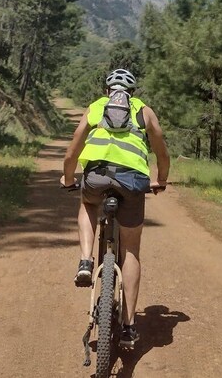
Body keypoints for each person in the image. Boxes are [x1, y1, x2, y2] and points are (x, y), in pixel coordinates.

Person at [60, 68, 170, 349]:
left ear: (108, 90)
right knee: (130, 251)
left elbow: (73, 147)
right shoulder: (144, 111)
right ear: (132, 92)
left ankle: (86, 260)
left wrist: (69, 177)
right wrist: (161, 180)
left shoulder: (96, 107)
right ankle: (129, 326)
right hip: (133, 181)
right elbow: (162, 152)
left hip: (96, 177)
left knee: (87, 203)